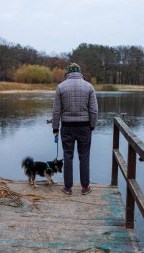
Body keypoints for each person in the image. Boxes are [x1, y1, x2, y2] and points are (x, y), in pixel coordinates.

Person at [52, 63, 98, 195]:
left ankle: (68, 188)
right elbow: (94, 110)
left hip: (67, 127)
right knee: (84, 156)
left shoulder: (60, 87)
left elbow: (56, 111)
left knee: (68, 156)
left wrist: (55, 127)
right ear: (79, 72)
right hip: (84, 127)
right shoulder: (89, 86)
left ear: (68, 72)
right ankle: (85, 188)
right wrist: (92, 125)